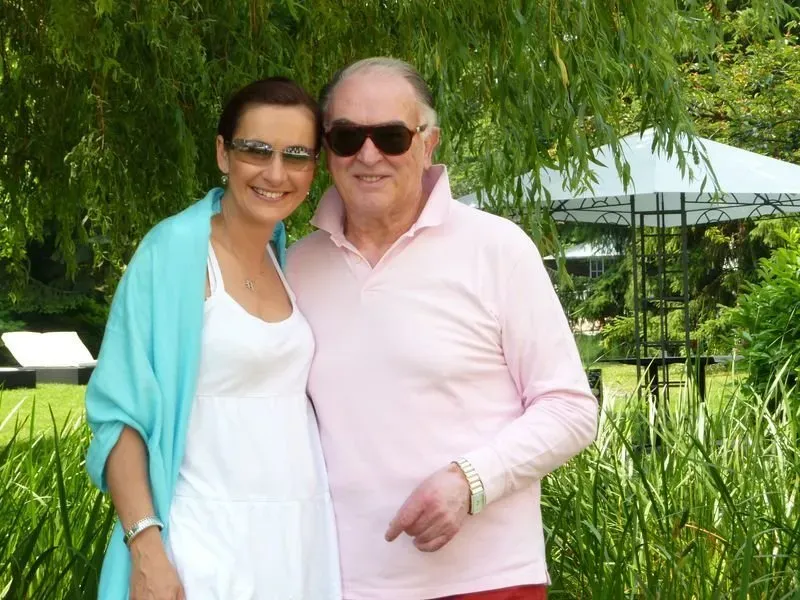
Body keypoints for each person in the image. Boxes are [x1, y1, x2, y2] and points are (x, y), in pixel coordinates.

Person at [286, 58, 598, 600]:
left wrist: (469, 481)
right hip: (342, 584)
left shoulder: (497, 248)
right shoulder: (294, 267)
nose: (368, 155)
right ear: (326, 149)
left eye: (391, 136)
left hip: (488, 582)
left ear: (428, 143)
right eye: (347, 136)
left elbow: (570, 409)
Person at [85, 77, 341, 600]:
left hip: (296, 537)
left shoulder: (283, 254)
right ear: (223, 153)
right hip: (203, 539)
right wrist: (146, 548)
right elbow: (120, 415)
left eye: (295, 155)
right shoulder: (174, 251)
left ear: (314, 168)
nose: (275, 173)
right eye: (256, 150)